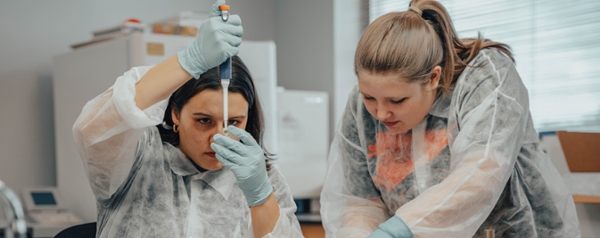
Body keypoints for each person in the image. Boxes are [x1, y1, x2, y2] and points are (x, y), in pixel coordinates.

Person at [320, 0, 580, 237]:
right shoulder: (363, 102)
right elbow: (361, 200)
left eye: (397, 101)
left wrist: (397, 231)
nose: (380, 113)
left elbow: (480, 175)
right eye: (369, 98)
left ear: (433, 78)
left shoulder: (485, 79)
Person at [72, 1, 303, 237]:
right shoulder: (138, 160)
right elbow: (92, 130)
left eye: (233, 122)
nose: (218, 138)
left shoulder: (262, 178)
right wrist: (189, 60)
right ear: (175, 113)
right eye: (204, 120)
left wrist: (261, 197)